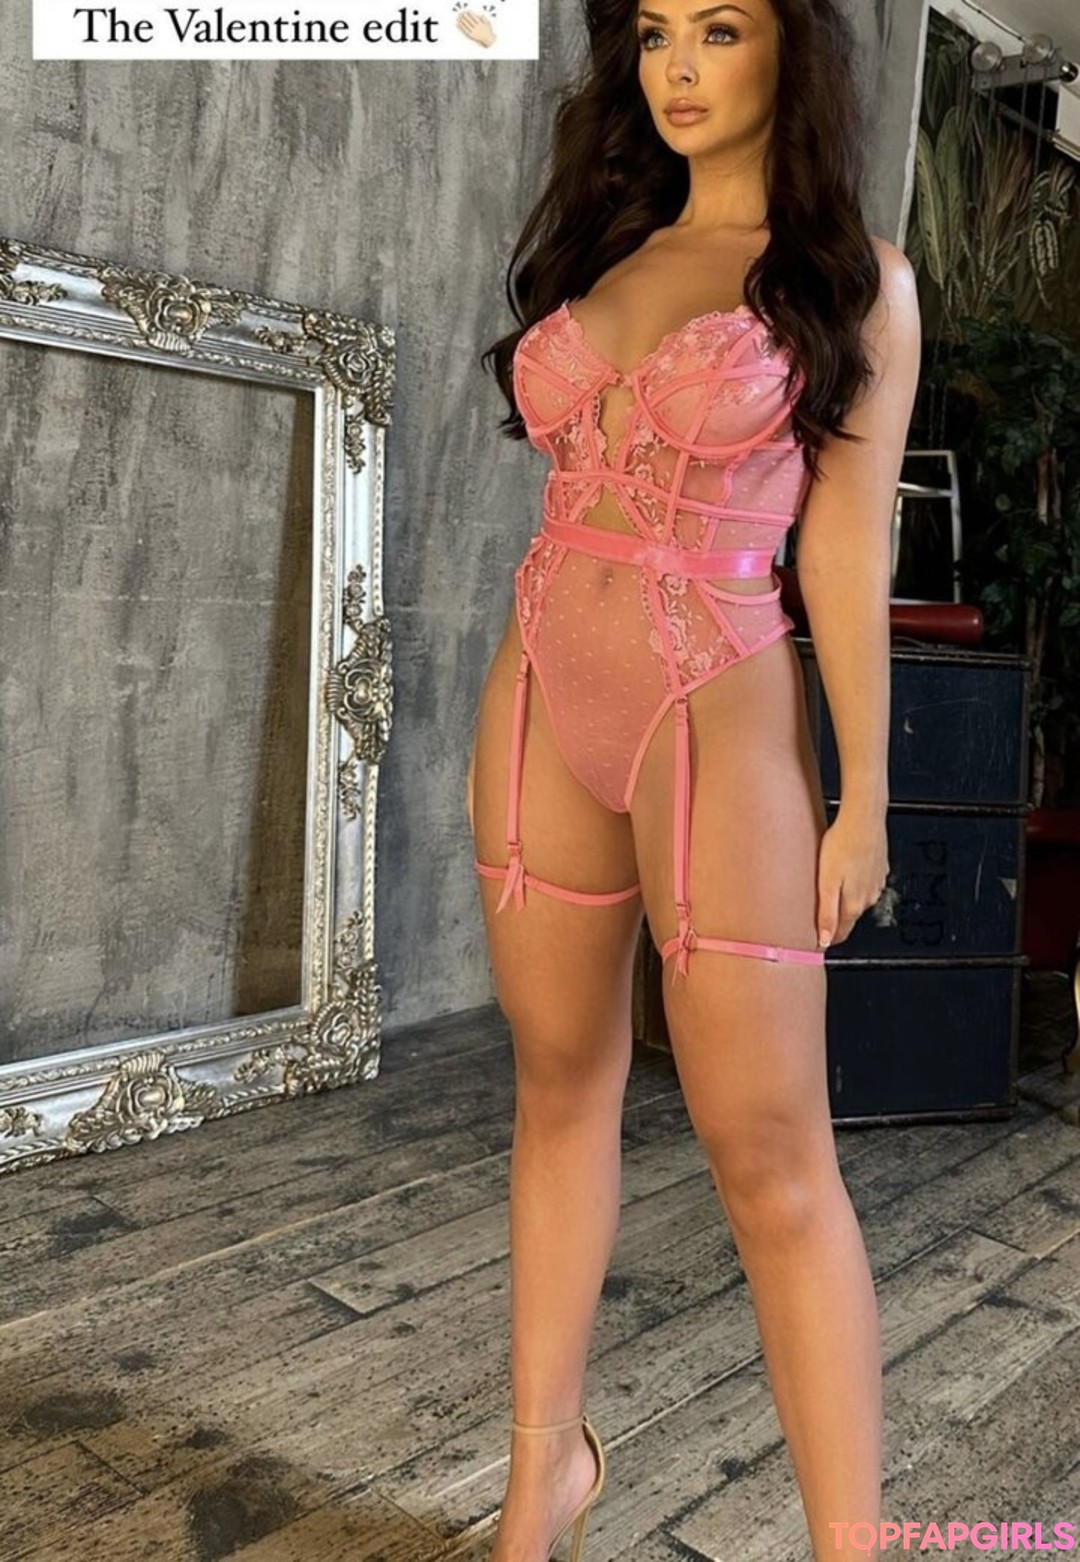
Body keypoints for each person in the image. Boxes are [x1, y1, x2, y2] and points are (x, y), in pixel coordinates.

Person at [466, 0, 922, 1556]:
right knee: (557, 1084)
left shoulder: (854, 285)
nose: (677, 65)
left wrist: (865, 794)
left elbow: (843, 552)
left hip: (714, 711)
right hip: (542, 691)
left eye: (719, 28)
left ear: (791, 50)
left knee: (772, 1154)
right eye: (656, 30)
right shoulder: (609, 244)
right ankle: (540, 1482)